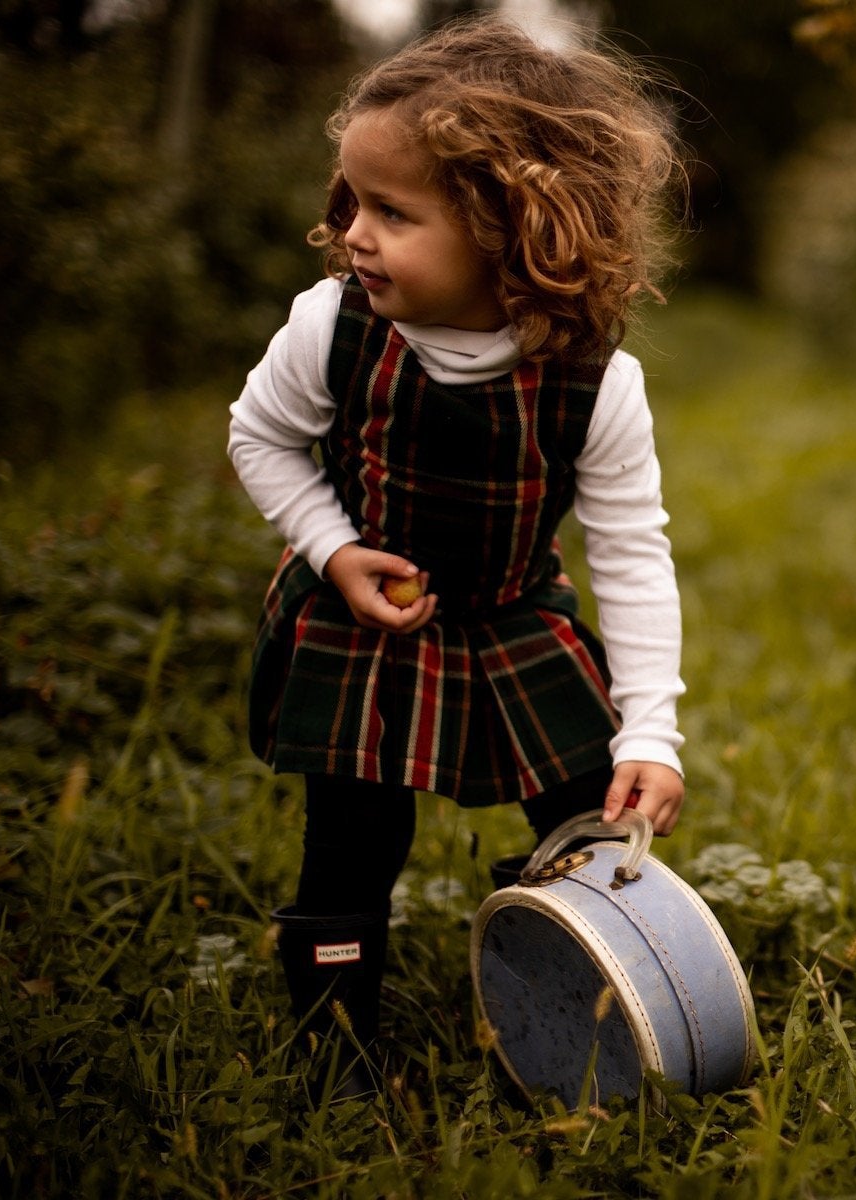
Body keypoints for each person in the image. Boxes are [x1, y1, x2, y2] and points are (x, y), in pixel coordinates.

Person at [227, 14, 686, 1100]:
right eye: (351, 204)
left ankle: (588, 1002)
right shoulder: (331, 329)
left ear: (509, 226)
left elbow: (629, 552)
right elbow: (259, 435)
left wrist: (652, 725)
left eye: (393, 212)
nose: (354, 236)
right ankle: (333, 1049)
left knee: (587, 813)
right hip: (364, 614)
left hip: (515, 615)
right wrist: (335, 550)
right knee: (352, 834)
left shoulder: (592, 379)